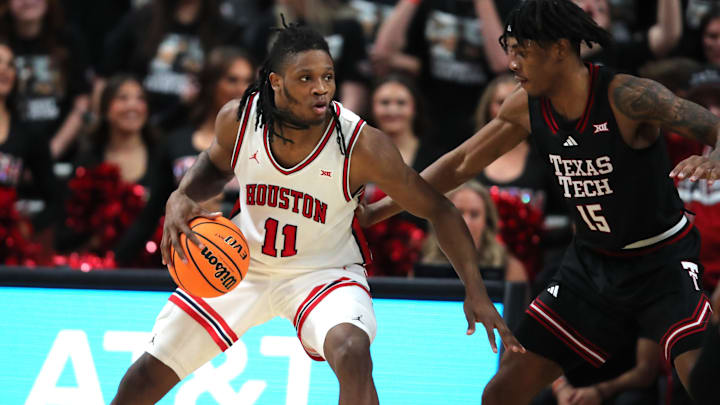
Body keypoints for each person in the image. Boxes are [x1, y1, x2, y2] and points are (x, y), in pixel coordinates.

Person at [109, 22, 522, 405]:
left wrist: (476, 290)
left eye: (327, 77)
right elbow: (213, 168)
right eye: (306, 78)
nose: (321, 88)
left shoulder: (361, 145)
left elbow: (440, 209)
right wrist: (182, 195)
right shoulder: (239, 119)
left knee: (353, 351)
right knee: (145, 375)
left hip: (323, 272)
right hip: (242, 264)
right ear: (275, 82)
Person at [361, 0, 720, 403]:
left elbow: (715, 127)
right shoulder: (526, 105)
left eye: (523, 52)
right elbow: (459, 163)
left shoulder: (627, 96)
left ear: (560, 49)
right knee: (500, 395)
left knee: (708, 387)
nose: (512, 63)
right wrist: (380, 209)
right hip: (591, 265)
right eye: (510, 50)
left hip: (660, 261)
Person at [113, 47, 256, 266]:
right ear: (210, 84)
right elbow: (152, 212)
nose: (241, 89)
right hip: (189, 261)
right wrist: (114, 263)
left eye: (247, 81)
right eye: (232, 80)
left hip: (251, 261)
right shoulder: (176, 142)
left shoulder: (265, 143)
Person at [100, 0, 243, 130]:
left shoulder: (224, 29)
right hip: (142, 126)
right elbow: (106, 74)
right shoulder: (141, 19)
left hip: (197, 127)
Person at [0, 0, 92, 160]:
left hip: (62, 149)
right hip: (8, 152)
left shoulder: (69, 39)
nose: (28, 2)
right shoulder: (2, 42)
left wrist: (53, 150)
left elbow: (82, 99)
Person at [0, 40, 60, 233]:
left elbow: (57, 198)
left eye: (10, 64)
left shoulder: (28, 133)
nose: (5, 70)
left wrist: (28, 229)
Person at [421, 180, 527, 283]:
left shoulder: (511, 270)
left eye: (474, 214)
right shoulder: (424, 267)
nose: (466, 222)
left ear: (486, 222)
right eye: (458, 213)